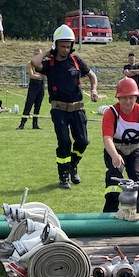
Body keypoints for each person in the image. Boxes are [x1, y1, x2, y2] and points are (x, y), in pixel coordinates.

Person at [31, 24, 99, 189]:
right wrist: (48, 52)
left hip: (77, 109)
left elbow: (92, 76)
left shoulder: (76, 61)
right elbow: (34, 62)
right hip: (59, 110)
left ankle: (73, 165)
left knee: (83, 141)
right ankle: (64, 176)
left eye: (68, 46)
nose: (66, 49)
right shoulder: (50, 64)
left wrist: (94, 90)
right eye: (62, 46)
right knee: (64, 143)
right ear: (56, 45)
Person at [101, 78, 139, 212]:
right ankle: (110, 209)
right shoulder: (111, 113)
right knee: (114, 173)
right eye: (124, 98)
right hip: (115, 148)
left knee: (136, 174)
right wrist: (115, 155)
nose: (127, 102)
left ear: (136, 97)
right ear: (118, 98)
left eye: (131, 98)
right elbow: (107, 138)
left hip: (136, 148)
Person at [17, 47, 45, 130]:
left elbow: (46, 75)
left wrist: (40, 76)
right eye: (36, 54)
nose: (37, 56)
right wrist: (41, 76)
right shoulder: (30, 63)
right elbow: (32, 75)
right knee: (29, 104)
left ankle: (35, 124)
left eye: (39, 54)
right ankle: (22, 124)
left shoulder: (43, 64)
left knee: (38, 105)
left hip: (41, 85)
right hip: (33, 85)